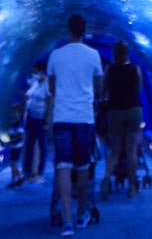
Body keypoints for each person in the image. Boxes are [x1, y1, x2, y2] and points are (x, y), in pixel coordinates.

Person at [47, 13, 104, 237]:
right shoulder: (94, 55)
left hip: (61, 117)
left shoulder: (55, 55)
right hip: (84, 118)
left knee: (63, 166)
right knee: (82, 166)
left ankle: (67, 220)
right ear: (84, 30)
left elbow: (52, 87)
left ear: (68, 30)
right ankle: (81, 214)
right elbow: (99, 87)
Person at [101, 40, 144, 198]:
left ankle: (106, 179)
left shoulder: (110, 69)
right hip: (133, 109)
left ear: (114, 53)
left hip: (115, 111)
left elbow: (103, 91)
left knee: (115, 150)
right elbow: (138, 90)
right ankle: (132, 187)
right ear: (127, 53)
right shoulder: (135, 69)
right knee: (131, 149)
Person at [22, 58, 51, 182]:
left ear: (41, 71)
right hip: (31, 117)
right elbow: (29, 95)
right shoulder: (35, 83)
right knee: (29, 143)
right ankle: (27, 171)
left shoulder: (47, 84)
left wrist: (47, 120)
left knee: (42, 144)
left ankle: (40, 172)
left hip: (41, 118)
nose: (34, 74)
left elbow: (50, 102)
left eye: (36, 71)